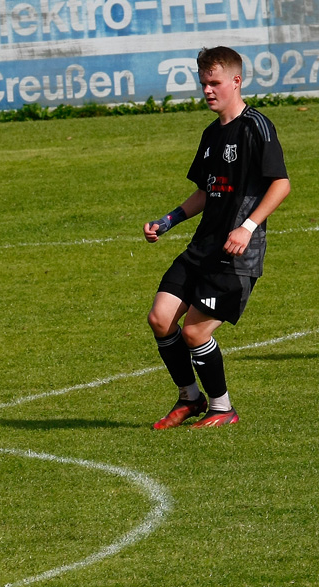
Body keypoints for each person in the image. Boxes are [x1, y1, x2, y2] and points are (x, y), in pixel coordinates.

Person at [144, 46, 290, 429]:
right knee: (160, 319)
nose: (208, 90)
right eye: (203, 83)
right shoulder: (211, 134)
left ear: (236, 81)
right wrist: (168, 220)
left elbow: (281, 184)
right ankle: (189, 399)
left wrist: (247, 226)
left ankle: (223, 408)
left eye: (215, 82)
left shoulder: (257, 126)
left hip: (236, 254)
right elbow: (205, 192)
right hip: (202, 248)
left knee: (194, 330)